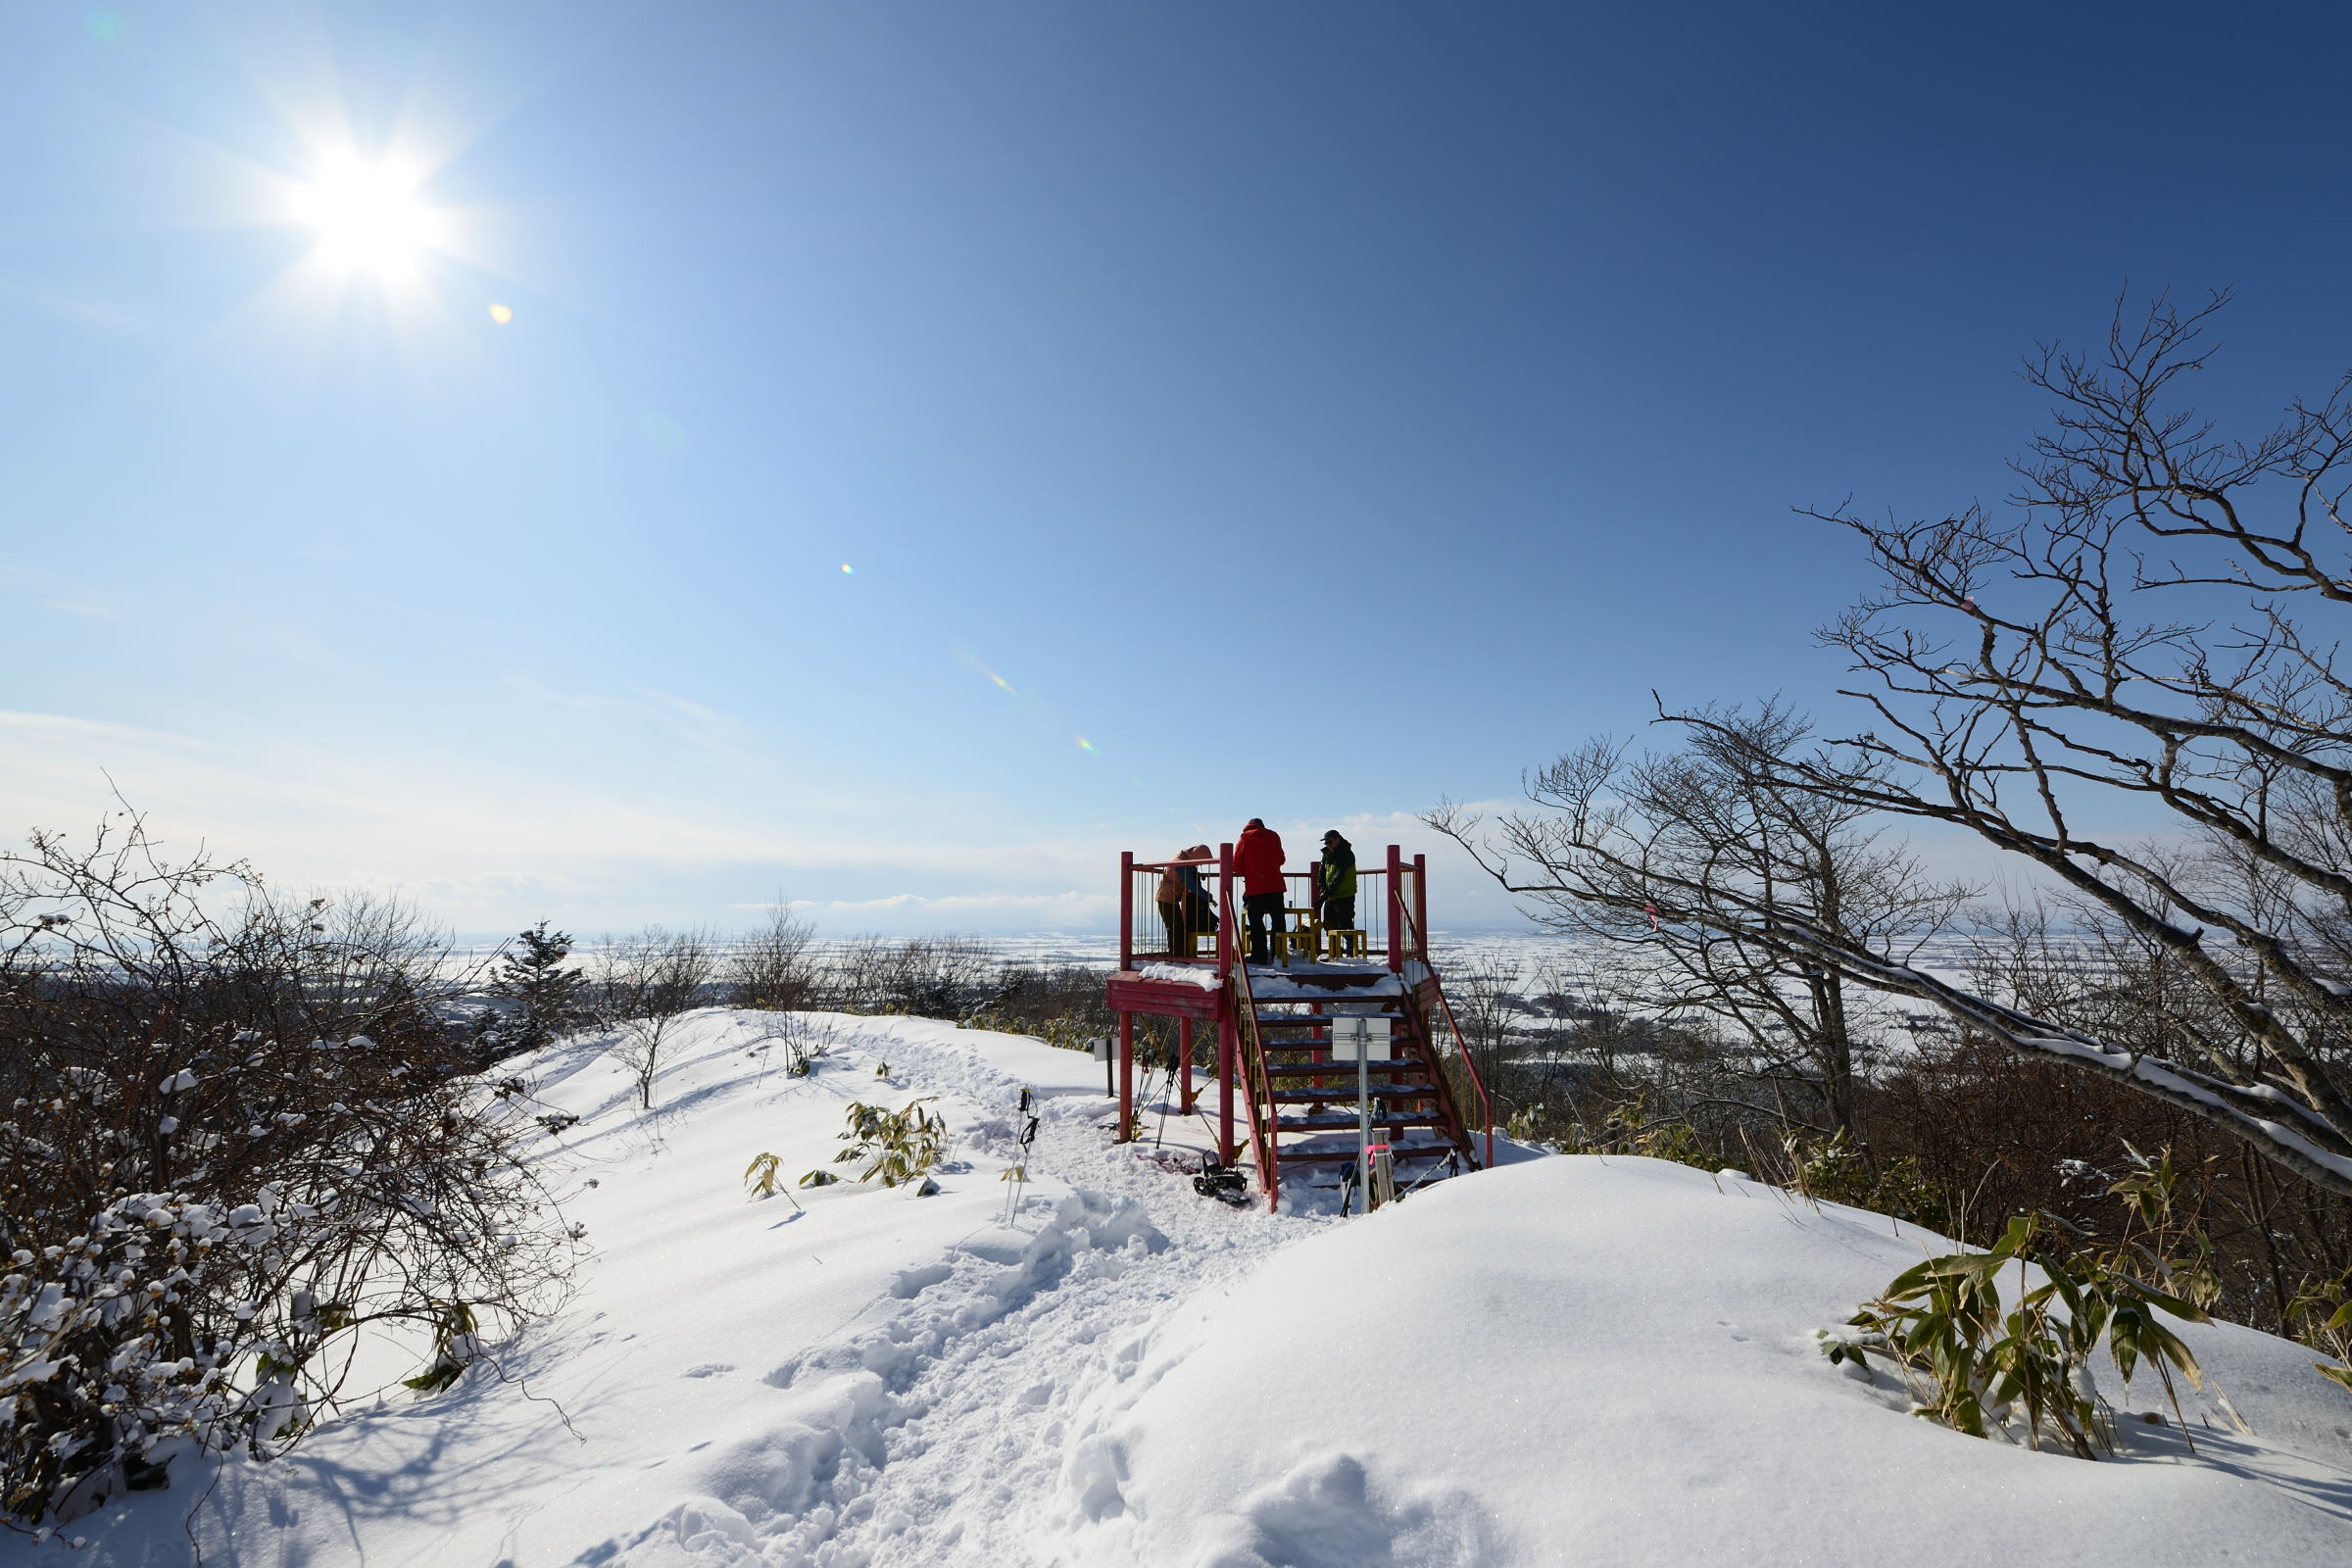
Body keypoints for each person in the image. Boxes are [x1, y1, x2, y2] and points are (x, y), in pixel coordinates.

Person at [1234, 818, 1286, 964]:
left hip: (1255, 887)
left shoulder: (1244, 839)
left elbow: (1236, 865)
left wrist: (1249, 870)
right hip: (1275, 886)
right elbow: (1281, 859)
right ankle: (1278, 954)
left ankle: (1259, 955)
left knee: (1256, 922)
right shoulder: (1273, 836)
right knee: (1278, 921)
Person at [1155, 845, 1215, 956]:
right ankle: (1175, 956)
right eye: (1201, 861)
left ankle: (1178, 955)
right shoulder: (1181, 863)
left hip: (1170, 898)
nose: (1200, 864)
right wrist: (1209, 897)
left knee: (1177, 928)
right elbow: (1191, 884)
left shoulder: (1184, 860)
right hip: (1166, 898)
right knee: (1175, 928)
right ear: (1198, 856)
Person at [1319, 830, 1356, 934]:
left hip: (1344, 895)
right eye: (1326, 843)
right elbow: (1321, 873)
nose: (1328, 845)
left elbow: (1339, 876)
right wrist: (1322, 889)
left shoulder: (1346, 854)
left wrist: (1325, 894)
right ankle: (1334, 945)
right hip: (1330, 895)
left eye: (1330, 842)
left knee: (1345, 924)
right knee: (1328, 924)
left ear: (1338, 839)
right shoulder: (1327, 854)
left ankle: (1351, 944)